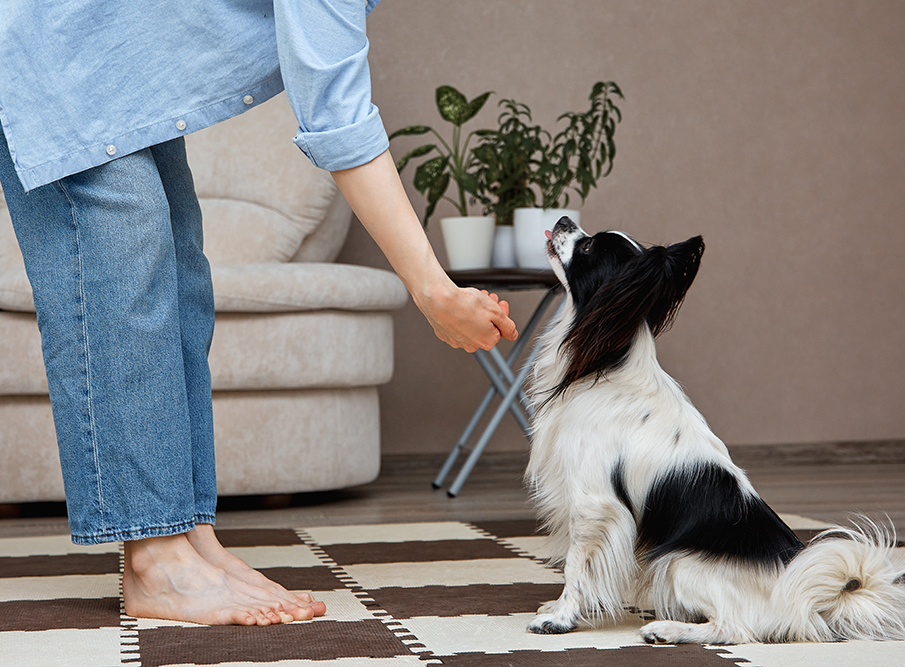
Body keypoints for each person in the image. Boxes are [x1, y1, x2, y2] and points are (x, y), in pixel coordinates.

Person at [0, 1, 517, 625]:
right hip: (54, 44)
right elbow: (336, 111)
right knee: (122, 265)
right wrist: (433, 290)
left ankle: (190, 537)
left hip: (117, 64)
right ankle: (155, 561)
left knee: (178, 272)